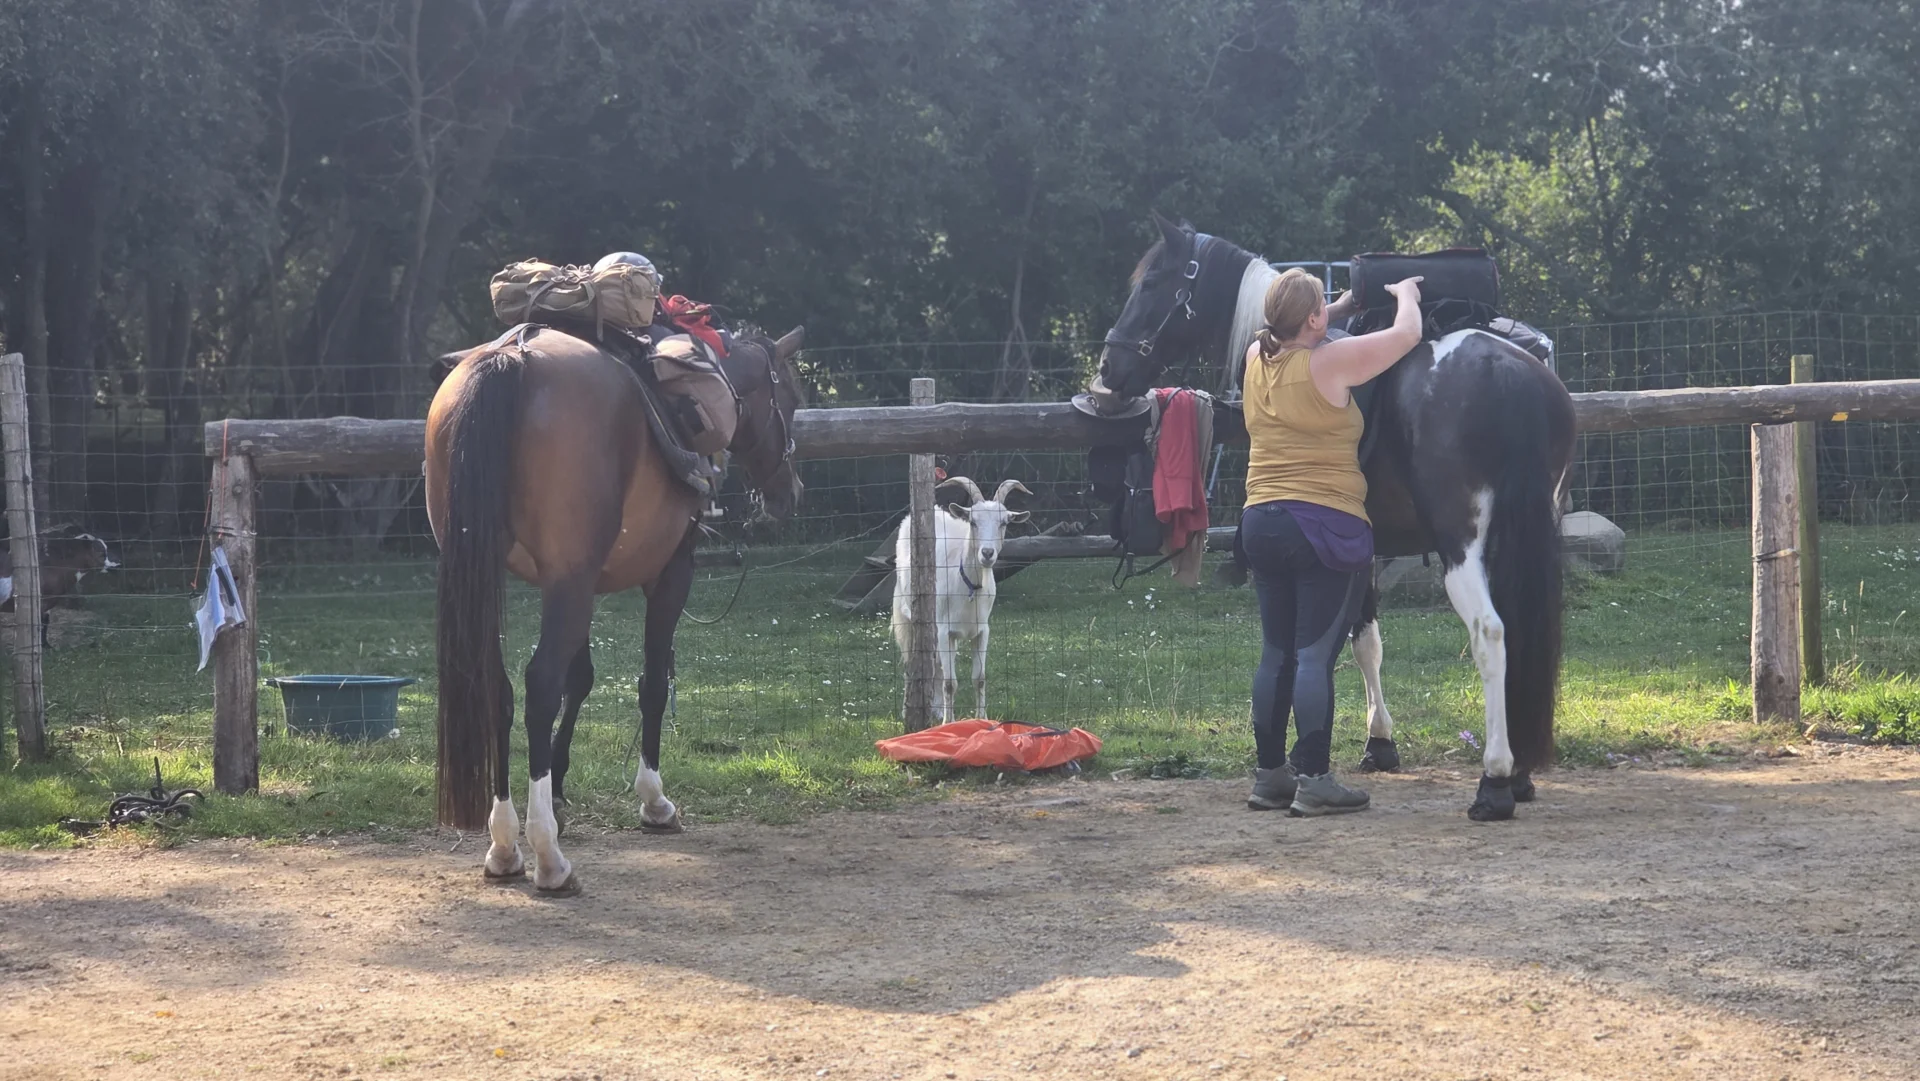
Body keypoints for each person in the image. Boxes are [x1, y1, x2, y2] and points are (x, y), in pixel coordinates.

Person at [1240, 268, 1424, 816]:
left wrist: (1334, 308)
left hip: (1260, 520)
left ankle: (1270, 775)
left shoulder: (1256, 359)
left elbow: (1278, 328)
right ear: (1314, 320)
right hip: (1321, 524)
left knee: (1276, 654)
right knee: (1314, 655)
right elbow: (1407, 336)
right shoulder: (1330, 362)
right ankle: (1316, 779)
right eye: (1321, 310)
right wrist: (1406, 296)